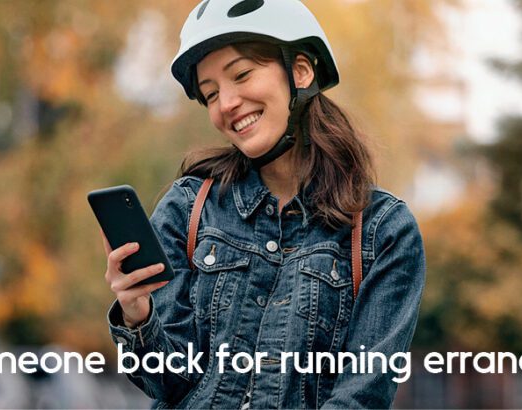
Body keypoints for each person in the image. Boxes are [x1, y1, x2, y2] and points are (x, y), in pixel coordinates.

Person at [102, 0, 425, 407]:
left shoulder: (384, 232)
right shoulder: (188, 207)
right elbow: (168, 383)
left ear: (301, 71)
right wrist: (137, 313)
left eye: (241, 75)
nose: (226, 104)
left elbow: (361, 396)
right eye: (211, 93)